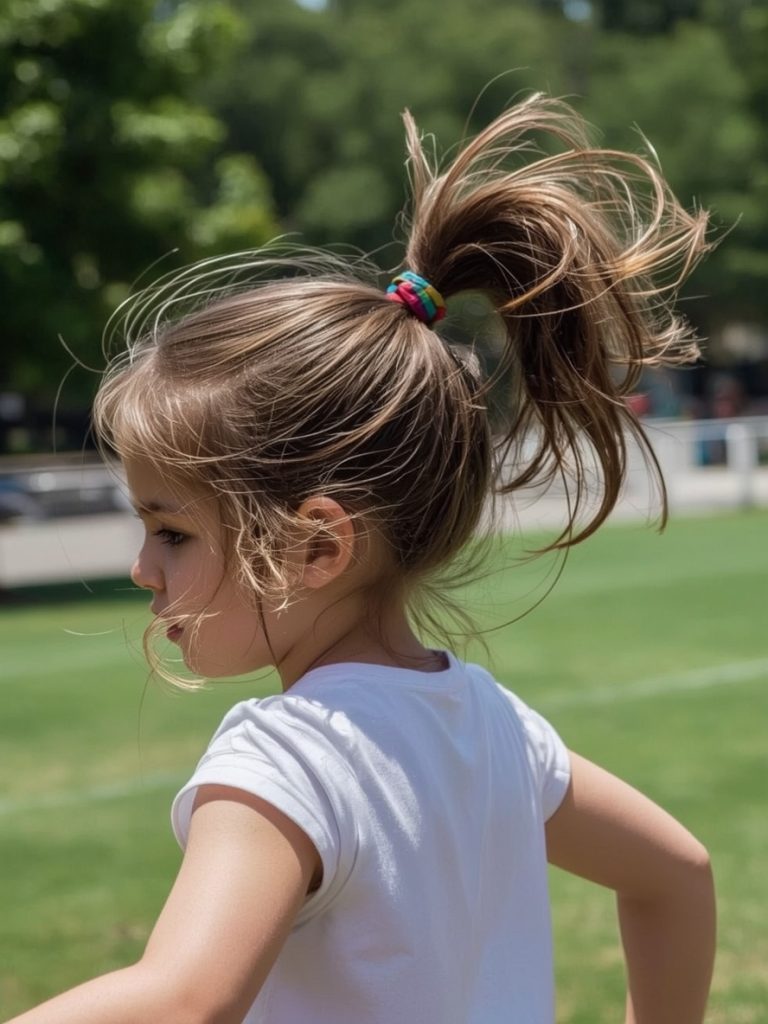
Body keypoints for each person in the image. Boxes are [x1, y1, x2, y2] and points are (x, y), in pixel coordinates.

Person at [6, 93, 716, 1024]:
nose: (143, 569)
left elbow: (183, 1002)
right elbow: (679, 877)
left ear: (314, 545)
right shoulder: (498, 729)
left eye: (172, 531)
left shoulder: (286, 757)